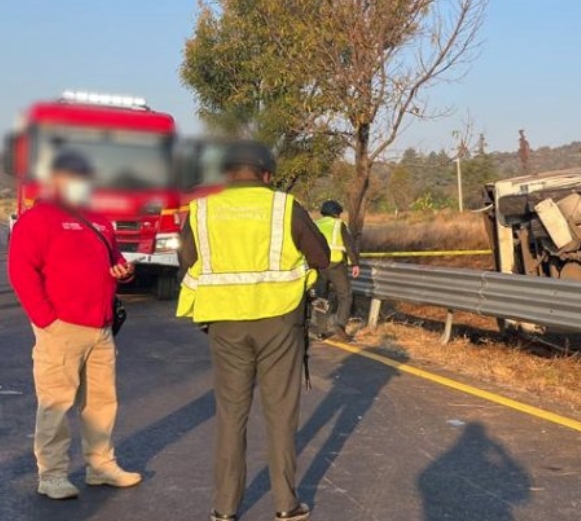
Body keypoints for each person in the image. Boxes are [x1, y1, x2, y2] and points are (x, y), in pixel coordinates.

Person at [176, 141, 330, 521]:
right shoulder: (283, 205)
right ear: (267, 174)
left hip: (225, 323)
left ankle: (225, 508)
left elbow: (187, 261)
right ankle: (285, 505)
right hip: (279, 321)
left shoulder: (201, 210)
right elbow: (321, 257)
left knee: (231, 415)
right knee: (280, 415)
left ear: (227, 174)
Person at [7, 149, 141, 500]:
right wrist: (46, 320)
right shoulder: (38, 219)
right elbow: (21, 272)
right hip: (61, 327)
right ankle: (51, 475)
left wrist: (124, 272)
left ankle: (101, 466)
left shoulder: (99, 220)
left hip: (101, 328)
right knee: (56, 403)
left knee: (101, 402)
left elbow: (116, 261)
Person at [314, 200, 361, 341]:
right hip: (336, 265)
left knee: (321, 297)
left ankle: (321, 330)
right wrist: (355, 264)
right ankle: (340, 325)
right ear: (336, 213)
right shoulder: (339, 225)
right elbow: (349, 245)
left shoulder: (316, 224)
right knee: (345, 295)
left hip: (318, 266)